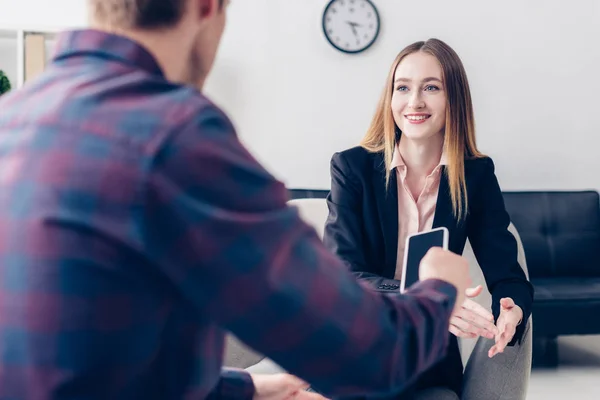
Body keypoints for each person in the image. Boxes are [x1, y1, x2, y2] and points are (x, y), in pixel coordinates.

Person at [0, 1, 473, 399]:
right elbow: (367, 355)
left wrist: (246, 387)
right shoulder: (178, 137)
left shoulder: (14, 117)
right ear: (209, 7)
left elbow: (104, 366)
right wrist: (437, 287)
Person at [323, 39, 534, 400]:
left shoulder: (476, 176)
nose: (415, 101)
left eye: (431, 87)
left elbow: (509, 277)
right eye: (402, 87)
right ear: (390, 98)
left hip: (426, 360)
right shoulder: (352, 168)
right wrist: (426, 297)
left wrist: (510, 311)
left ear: (454, 99)